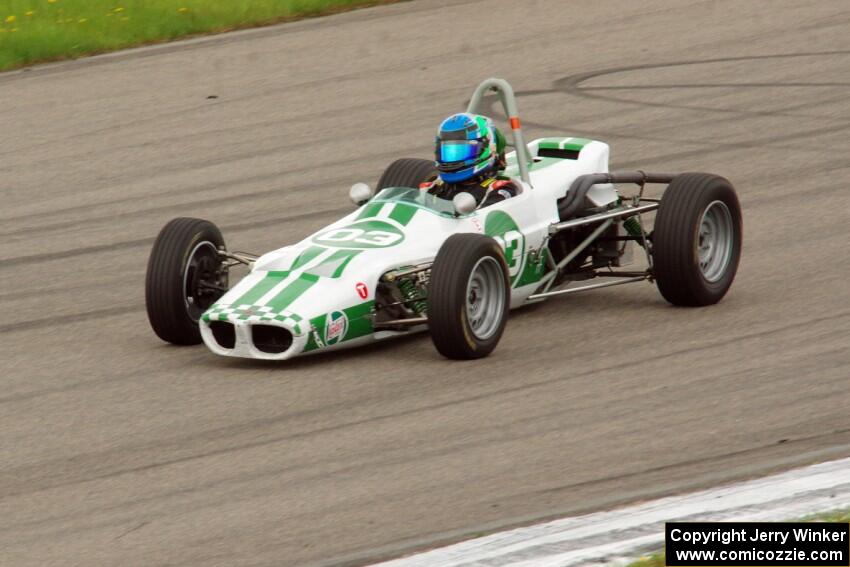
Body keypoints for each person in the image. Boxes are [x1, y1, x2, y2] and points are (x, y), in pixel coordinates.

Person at [420, 113, 519, 207]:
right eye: (448, 153)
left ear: (486, 148)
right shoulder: (433, 188)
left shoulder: (498, 189)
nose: (452, 160)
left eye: (461, 152)